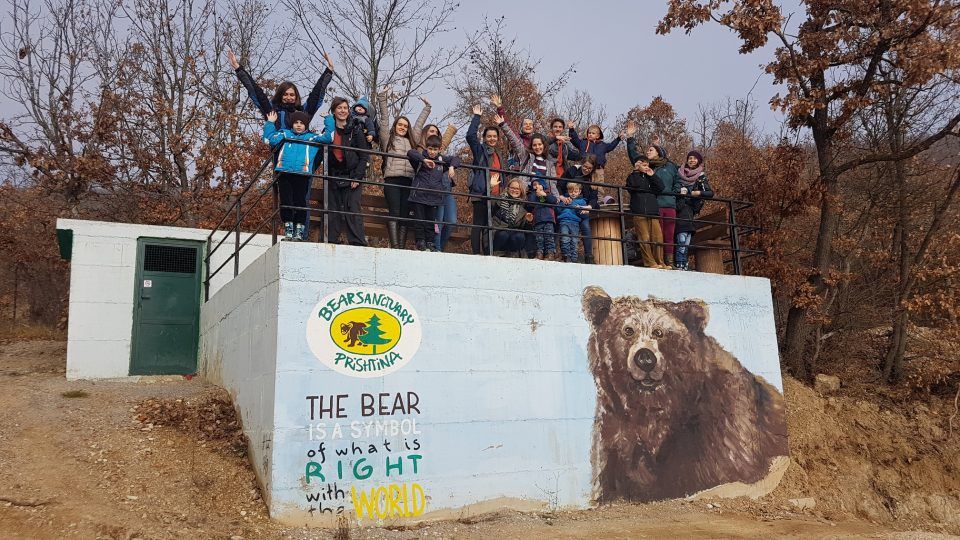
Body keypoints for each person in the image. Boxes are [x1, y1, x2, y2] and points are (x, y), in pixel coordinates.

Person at [262, 110, 334, 241]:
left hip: (302, 174)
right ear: (292, 124)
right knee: (286, 201)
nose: (299, 125)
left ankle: (299, 231)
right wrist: (270, 123)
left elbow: (328, 138)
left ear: (306, 125)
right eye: (296, 122)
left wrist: (328, 119)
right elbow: (269, 140)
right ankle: (288, 229)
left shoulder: (311, 137)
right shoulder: (285, 134)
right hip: (284, 173)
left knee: (300, 202)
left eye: (302, 123)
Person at [376, 89, 432, 248]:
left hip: (408, 181)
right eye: (400, 124)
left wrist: (427, 108)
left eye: (405, 126)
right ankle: (395, 246)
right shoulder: (389, 138)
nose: (402, 127)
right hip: (392, 180)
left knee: (404, 215)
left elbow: (419, 125)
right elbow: (385, 120)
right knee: (394, 211)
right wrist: (382, 98)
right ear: (396, 126)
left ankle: (401, 247)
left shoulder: (412, 141)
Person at [227, 48, 334, 129]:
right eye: (285, 94)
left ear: (296, 96)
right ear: (280, 95)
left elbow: (316, 94)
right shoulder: (273, 111)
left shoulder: (304, 112)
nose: (288, 97)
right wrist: (238, 68)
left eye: (292, 95)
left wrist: (328, 71)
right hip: (280, 154)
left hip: (301, 155)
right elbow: (256, 92)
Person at [626, 121, 682, 266]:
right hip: (650, 206)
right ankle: (652, 262)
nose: (648, 152)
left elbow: (675, 181)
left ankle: (665, 262)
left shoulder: (669, 166)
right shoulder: (645, 167)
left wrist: (675, 193)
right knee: (646, 237)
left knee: (662, 237)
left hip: (666, 204)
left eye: (652, 149)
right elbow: (635, 158)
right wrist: (630, 138)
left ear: (659, 151)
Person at [323, 97, 370, 246]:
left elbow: (364, 156)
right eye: (339, 108)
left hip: (352, 175)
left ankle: (357, 242)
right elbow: (322, 152)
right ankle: (330, 240)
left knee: (353, 208)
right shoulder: (328, 130)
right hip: (333, 175)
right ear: (334, 111)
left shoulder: (355, 129)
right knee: (333, 209)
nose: (343, 111)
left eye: (345, 108)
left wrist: (357, 177)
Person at [465, 104, 510, 255]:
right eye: (489, 136)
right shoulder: (480, 151)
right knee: (478, 223)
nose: (492, 139)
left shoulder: (499, 154)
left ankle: (488, 253)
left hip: (496, 196)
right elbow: (470, 136)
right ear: (484, 138)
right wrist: (476, 117)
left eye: (494, 136)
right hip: (481, 193)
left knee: (489, 226)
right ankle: (476, 253)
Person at [406, 136, 460, 251]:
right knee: (419, 220)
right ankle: (420, 241)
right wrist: (423, 160)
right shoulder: (421, 159)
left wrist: (451, 167)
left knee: (431, 221)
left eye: (435, 150)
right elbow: (410, 152)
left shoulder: (442, 161)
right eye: (430, 149)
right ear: (426, 148)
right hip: (419, 196)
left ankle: (430, 242)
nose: (432, 152)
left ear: (439, 149)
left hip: (434, 197)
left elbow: (456, 159)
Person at [420, 123, 461, 252]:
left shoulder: (440, 153)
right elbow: (412, 154)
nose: (434, 133)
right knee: (438, 223)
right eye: (431, 131)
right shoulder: (422, 150)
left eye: (437, 132)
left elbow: (455, 159)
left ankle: (440, 248)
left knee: (451, 221)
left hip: (446, 189)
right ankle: (436, 250)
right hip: (433, 191)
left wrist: (451, 166)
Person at [674, 150, 714, 270]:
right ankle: (680, 262)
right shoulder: (678, 172)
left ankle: (682, 262)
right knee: (681, 236)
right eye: (690, 158)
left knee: (685, 236)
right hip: (677, 207)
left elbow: (710, 193)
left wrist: (697, 193)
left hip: (690, 209)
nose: (692, 160)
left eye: (694, 158)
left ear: (698, 161)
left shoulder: (700, 176)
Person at [625, 157, 669, 269]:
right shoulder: (632, 176)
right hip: (639, 211)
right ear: (638, 165)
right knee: (644, 237)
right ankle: (650, 262)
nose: (646, 167)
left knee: (658, 237)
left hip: (653, 211)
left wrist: (652, 175)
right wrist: (635, 171)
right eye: (644, 165)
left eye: (647, 165)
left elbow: (661, 188)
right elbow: (632, 187)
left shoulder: (650, 177)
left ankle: (661, 262)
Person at [559, 155, 601, 263]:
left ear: (593, 169)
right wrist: (562, 197)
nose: (586, 169)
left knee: (586, 227)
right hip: (568, 203)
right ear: (582, 164)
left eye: (589, 168)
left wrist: (589, 207)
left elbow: (594, 197)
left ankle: (588, 256)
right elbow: (560, 184)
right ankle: (562, 254)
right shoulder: (573, 171)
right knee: (562, 226)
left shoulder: (593, 178)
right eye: (585, 166)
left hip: (582, 207)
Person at [491, 179, 534, 255]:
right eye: (512, 188)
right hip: (499, 233)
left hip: (513, 238)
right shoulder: (499, 199)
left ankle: (513, 257)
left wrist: (528, 221)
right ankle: (498, 255)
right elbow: (488, 203)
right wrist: (491, 186)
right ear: (508, 188)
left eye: (517, 188)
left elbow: (526, 229)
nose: (514, 190)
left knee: (520, 236)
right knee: (503, 234)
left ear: (521, 191)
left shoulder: (523, 207)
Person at [556, 182, 590, 263]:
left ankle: (574, 259)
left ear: (579, 192)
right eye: (571, 191)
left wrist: (579, 209)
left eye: (575, 191)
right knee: (565, 238)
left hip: (575, 224)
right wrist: (563, 204)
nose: (573, 193)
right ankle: (566, 256)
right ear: (568, 191)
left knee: (574, 241)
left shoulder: (582, 202)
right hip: (564, 222)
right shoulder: (564, 200)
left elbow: (584, 216)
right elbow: (557, 210)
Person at [527, 178, 558, 260]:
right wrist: (535, 193)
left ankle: (550, 254)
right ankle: (539, 254)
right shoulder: (532, 195)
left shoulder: (548, 193)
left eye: (538, 184)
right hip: (537, 220)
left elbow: (554, 201)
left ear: (543, 185)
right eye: (534, 185)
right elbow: (530, 204)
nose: (536, 186)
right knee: (539, 238)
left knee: (549, 237)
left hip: (548, 219)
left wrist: (544, 194)